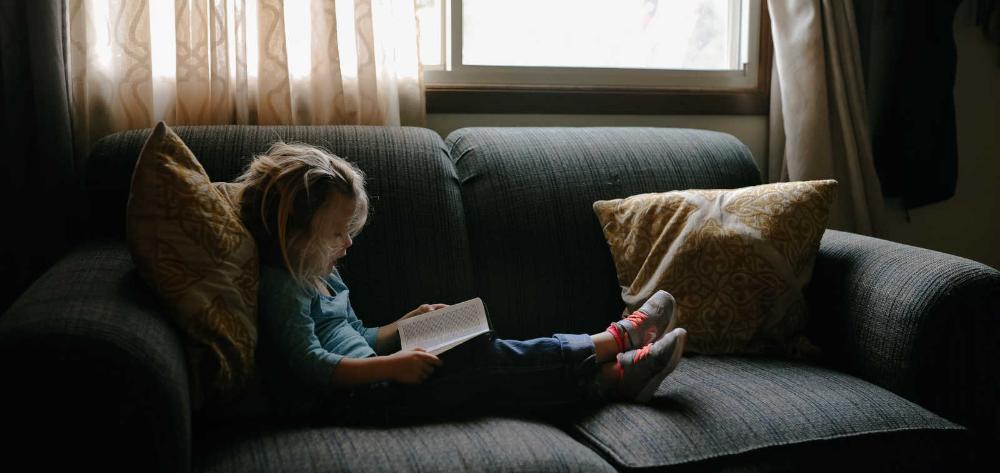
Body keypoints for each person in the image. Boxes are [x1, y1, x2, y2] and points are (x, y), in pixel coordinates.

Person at [235, 142, 688, 424]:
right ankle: (614, 343)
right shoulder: (283, 286)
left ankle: (612, 377)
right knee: (479, 360)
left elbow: (359, 336)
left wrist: (403, 325)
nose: (348, 243)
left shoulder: (322, 271)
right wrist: (393, 365)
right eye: (336, 233)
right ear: (294, 232)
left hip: (375, 373)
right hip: (358, 400)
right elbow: (313, 365)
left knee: (472, 333)